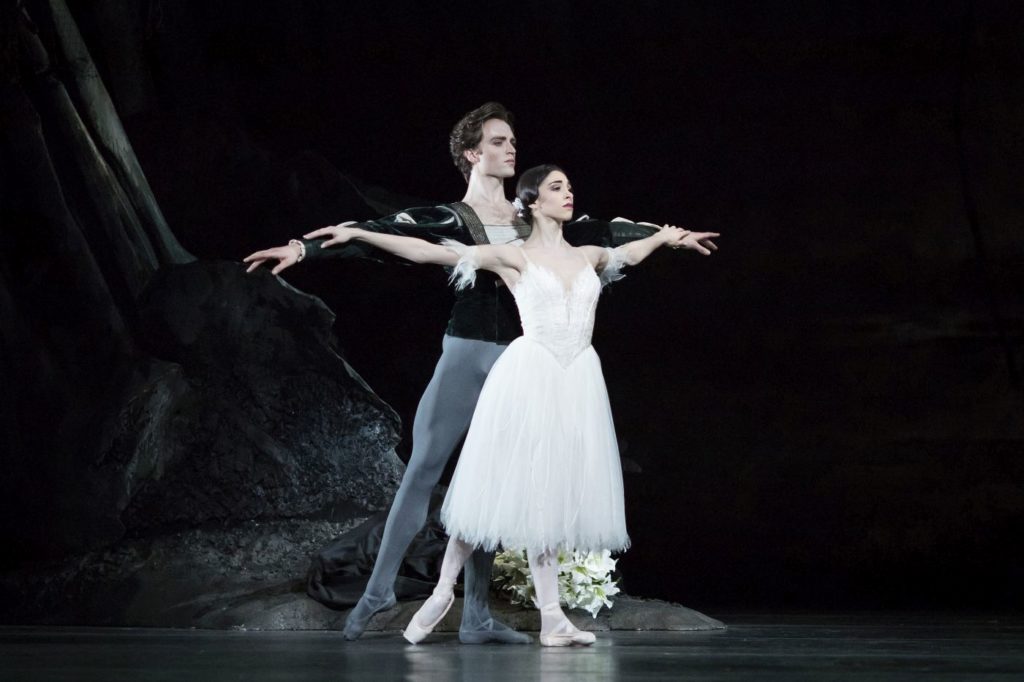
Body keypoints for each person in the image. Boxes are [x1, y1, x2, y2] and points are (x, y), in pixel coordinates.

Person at [243, 103, 718, 643]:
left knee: (500, 479)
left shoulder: (533, 219)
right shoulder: (454, 218)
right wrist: (304, 247)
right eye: (497, 141)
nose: (510, 148)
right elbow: (387, 235)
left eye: (513, 140)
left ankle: (475, 616)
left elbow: (612, 235)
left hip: (524, 358)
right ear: (472, 153)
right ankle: (377, 591)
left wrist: (667, 234)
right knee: (424, 468)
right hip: (469, 352)